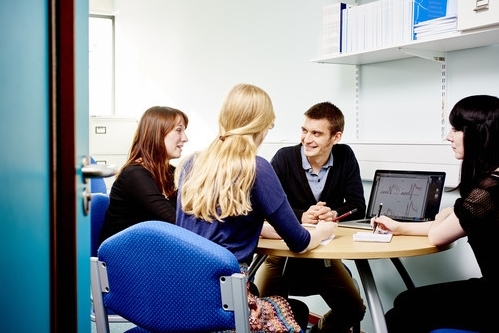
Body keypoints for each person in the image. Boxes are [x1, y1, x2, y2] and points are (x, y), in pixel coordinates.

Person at [174, 83, 336, 333]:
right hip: (226, 301)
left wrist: (263, 229)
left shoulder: (191, 163)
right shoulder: (256, 168)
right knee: (293, 311)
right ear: (259, 126)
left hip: (183, 295)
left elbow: (212, 226)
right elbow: (300, 242)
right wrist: (324, 230)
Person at [373, 95, 499, 333]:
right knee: (403, 307)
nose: (448, 137)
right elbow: (451, 225)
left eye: (456, 129)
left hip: (494, 299)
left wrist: (447, 213)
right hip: (490, 290)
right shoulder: (492, 185)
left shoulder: (486, 192)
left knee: (404, 308)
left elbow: (439, 234)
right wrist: (399, 227)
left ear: (478, 134)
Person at [254, 101, 367, 333]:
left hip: (324, 257)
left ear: (335, 137)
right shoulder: (285, 158)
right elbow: (267, 206)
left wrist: (333, 214)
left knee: (354, 309)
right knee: (263, 315)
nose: (307, 139)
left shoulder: (345, 157)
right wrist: (302, 215)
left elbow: (358, 206)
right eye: (305, 131)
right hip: (281, 255)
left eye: (316, 133)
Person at [98, 106, 189, 245]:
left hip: (151, 248)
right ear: (157, 133)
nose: (185, 138)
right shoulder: (135, 175)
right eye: (178, 130)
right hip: (124, 255)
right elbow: (175, 221)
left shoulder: (170, 172)